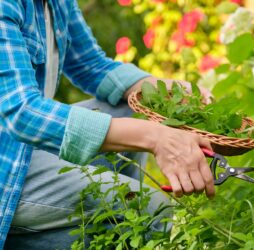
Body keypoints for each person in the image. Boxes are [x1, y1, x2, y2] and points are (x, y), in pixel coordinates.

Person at [0, 0, 215, 249]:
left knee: (131, 109)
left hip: (22, 148)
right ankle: (126, 219)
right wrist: (156, 138)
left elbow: (90, 65)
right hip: (7, 166)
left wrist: (165, 90)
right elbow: (23, 113)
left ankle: (115, 226)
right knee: (150, 209)